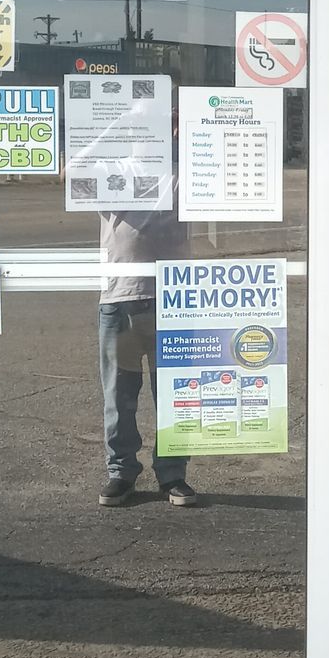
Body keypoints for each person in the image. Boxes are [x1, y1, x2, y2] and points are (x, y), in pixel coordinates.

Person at [97, 206, 199, 507]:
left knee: (175, 395)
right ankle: (121, 471)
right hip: (119, 294)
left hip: (173, 294)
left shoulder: (179, 177)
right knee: (118, 395)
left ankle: (172, 474)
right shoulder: (110, 175)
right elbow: (74, 183)